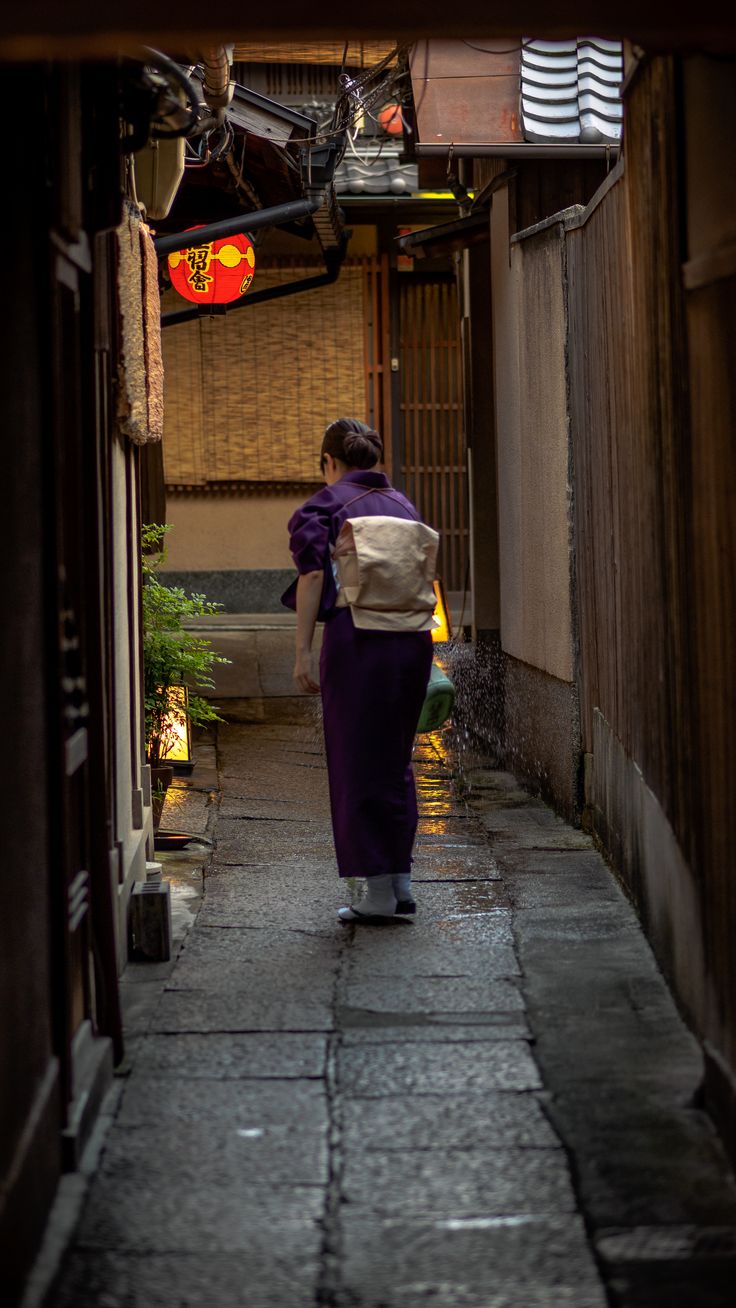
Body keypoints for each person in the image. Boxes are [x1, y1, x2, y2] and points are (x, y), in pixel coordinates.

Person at [284, 417, 434, 922]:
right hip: (412, 643)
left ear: (330, 462)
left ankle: (377, 893)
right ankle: (399, 880)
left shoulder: (325, 504)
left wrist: (303, 651)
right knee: (394, 760)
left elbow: (310, 577)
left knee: (355, 759)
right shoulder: (403, 505)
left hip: (360, 641)